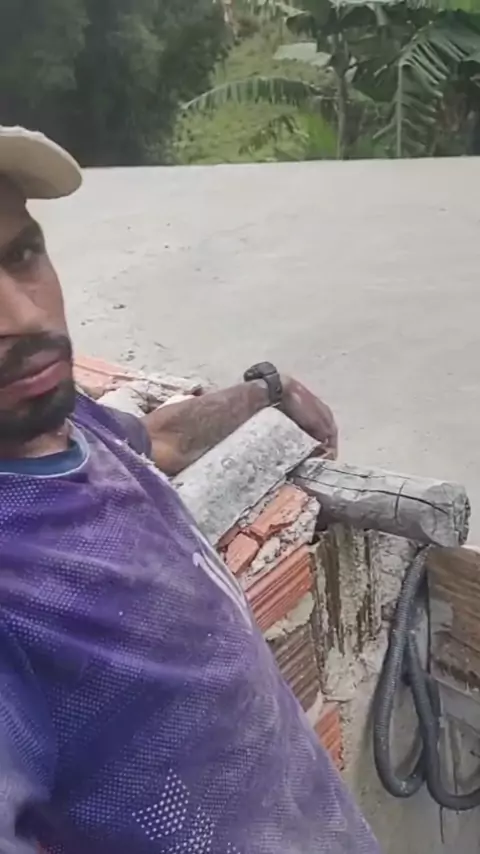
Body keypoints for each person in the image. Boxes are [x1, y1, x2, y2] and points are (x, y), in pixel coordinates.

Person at [0, 126, 379, 854]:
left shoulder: (55, 418)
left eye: (21, 255)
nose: (24, 318)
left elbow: (158, 440)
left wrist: (266, 391)